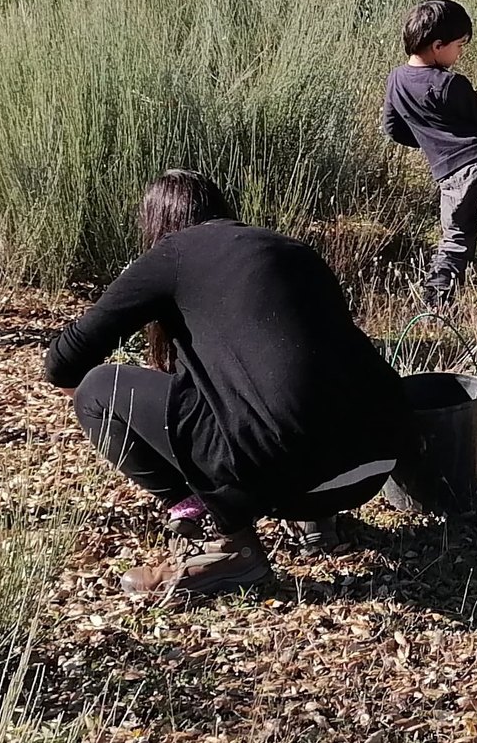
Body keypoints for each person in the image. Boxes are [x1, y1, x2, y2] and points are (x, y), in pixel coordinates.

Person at [44, 171, 420, 597]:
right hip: (376, 461)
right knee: (284, 384)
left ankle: (226, 543)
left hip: (291, 476)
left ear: (157, 223)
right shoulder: (290, 248)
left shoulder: (175, 252)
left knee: (98, 389)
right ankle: (318, 522)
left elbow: (65, 363)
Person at [382, 0, 477, 332]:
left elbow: (393, 129)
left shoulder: (396, 80)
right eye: (459, 45)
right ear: (438, 46)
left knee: (453, 241)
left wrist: (433, 143)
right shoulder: (451, 84)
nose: (460, 53)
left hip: (448, 177)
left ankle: (435, 306)